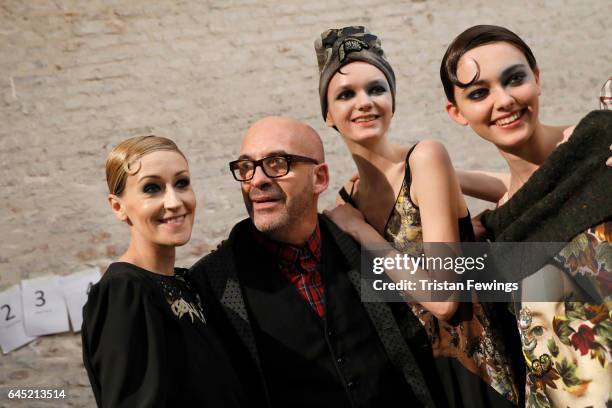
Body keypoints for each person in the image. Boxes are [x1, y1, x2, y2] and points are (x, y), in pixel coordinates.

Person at [315, 26, 521, 407]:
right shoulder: (349, 200)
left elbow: (444, 300)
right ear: (328, 114)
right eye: (346, 94)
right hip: (413, 383)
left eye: (377, 89)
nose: (364, 102)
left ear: (393, 99)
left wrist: (363, 234)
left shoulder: (424, 159)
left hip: (478, 377)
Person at [189, 116, 437, 408]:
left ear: (319, 178)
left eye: (277, 163)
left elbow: (471, 285)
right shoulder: (212, 284)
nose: (257, 180)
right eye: (246, 167)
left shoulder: (362, 246)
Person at [441, 25, 612, 407]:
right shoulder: (503, 221)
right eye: (479, 93)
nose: (503, 101)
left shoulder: (602, 144)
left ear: (536, 79)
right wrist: (441, 176)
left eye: (514, 79)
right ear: (456, 111)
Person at [81, 136, 245, 407]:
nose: (174, 201)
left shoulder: (187, 284)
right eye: (152, 188)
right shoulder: (124, 291)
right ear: (118, 207)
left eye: (182, 183)